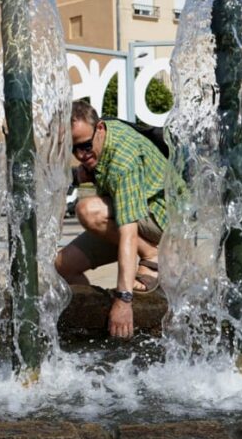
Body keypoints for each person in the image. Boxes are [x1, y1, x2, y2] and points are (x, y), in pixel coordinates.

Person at [55, 101, 170, 339]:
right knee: (63, 266)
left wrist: (123, 299)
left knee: (88, 210)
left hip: (163, 220)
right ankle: (93, 321)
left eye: (85, 146)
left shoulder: (122, 159)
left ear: (100, 128)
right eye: (73, 149)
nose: (81, 155)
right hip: (132, 217)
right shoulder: (95, 150)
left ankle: (151, 255)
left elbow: (128, 232)